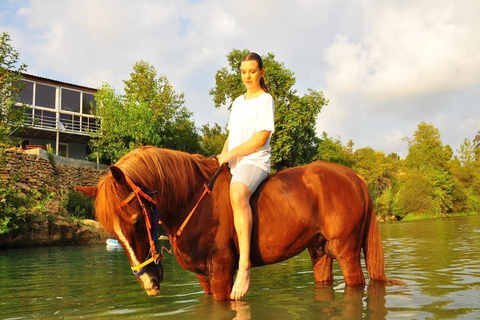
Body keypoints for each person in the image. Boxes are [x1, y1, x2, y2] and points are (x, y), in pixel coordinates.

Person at [217, 52, 275, 300]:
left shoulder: (265, 99)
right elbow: (232, 135)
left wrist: (231, 155)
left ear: (261, 72)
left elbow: (260, 139)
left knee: (238, 192)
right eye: (243, 72)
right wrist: (221, 159)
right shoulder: (238, 102)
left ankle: (243, 268)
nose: (247, 76)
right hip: (235, 162)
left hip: (255, 161)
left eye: (252, 71)